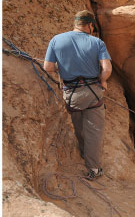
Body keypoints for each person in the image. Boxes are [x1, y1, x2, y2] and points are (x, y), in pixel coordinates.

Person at [44, 10, 112, 180]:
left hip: (71, 94)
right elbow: (107, 69)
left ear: (75, 24)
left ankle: (83, 153)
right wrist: (103, 81)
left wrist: (64, 69)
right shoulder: (97, 42)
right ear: (89, 25)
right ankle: (94, 169)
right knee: (94, 131)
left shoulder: (56, 40)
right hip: (92, 93)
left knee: (79, 125)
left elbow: (48, 67)